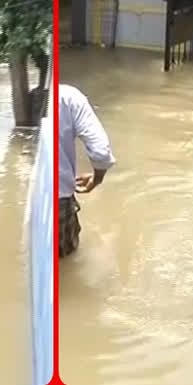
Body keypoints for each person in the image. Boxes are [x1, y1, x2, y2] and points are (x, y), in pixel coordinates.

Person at [58, 84, 115, 258]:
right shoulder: (68, 97)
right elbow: (100, 152)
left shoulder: (38, 99)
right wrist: (97, 178)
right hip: (59, 198)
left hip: (31, 197)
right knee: (67, 262)